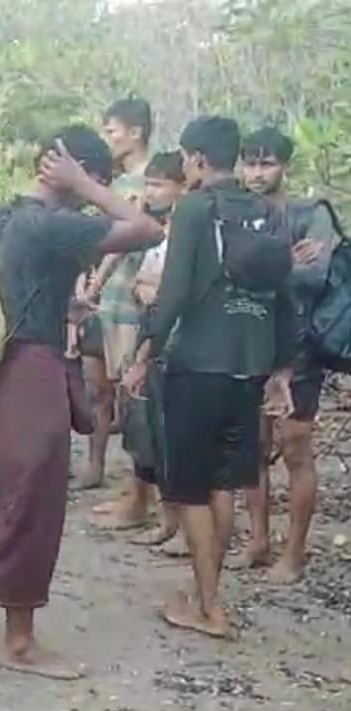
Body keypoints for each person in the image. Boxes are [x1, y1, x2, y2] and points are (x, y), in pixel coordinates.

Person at [0, 125, 162, 679]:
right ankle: (19, 641)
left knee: (17, 492)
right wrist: (87, 185)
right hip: (30, 368)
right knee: (36, 501)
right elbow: (147, 229)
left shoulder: (5, 217)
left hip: (3, 367)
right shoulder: (51, 225)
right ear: (73, 170)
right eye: (95, 179)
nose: (95, 194)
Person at [123, 116, 296, 639]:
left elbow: (174, 290)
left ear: (197, 158)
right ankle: (206, 595)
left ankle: (209, 608)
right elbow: (284, 297)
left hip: (198, 364)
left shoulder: (196, 208)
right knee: (223, 484)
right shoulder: (268, 212)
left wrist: (145, 349)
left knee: (192, 488)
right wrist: (281, 369)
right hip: (250, 366)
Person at [235, 126, 337, 583]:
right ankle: (257, 540)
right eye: (250, 163)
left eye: (266, 163)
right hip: (247, 340)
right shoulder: (239, 214)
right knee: (252, 447)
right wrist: (284, 263)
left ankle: (294, 552)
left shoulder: (311, 214)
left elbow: (315, 276)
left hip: (299, 348)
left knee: (296, 447)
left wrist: (260, 268)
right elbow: (228, 271)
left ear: (284, 166)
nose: (257, 173)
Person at [80, 97, 155, 494]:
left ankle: (136, 487)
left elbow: (121, 244)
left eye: (112, 131)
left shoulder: (153, 180)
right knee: (98, 386)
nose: (108, 139)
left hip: (129, 298)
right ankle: (94, 465)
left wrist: (93, 284)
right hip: (106, 299)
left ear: (135, 132)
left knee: (129, 392)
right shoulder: (118, 182)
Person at [120, 151, 188, 549]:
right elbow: (142, 282)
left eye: (160, 184)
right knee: (147, 427)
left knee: (172, 431)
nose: (151, 192)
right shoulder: (160, 228)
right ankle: (166, 517)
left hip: (175, 338)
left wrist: (152, 289)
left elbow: (168, 288)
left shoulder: (188, 229)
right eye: (148, 183)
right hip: (153, 330)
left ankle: (180, 523)